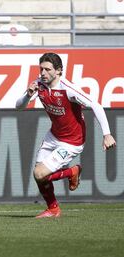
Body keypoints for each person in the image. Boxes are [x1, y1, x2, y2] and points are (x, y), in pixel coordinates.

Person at [16, 52, 116, 218]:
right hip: (53, 136)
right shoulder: (39, 84)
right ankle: (53, 209)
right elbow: (18, 107)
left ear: (59, 71)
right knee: (39, 176)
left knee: (39, 173)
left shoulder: (68, 89)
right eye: (41, 69)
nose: (43, 73)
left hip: (72, 141)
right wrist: (27, 95)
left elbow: (95, 105)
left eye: (47, 69)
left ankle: (73, 172)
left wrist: (107, 134)